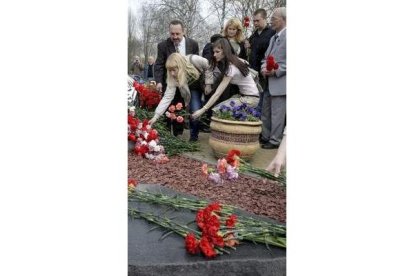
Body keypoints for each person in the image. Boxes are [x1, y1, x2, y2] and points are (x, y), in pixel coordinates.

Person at [149, 53, 213, 142]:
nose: (172, 73)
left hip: (205, 84)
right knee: (195, 110)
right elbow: (167, 97)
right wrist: (156, 116)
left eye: (174, 70)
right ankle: (193, 137)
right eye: (169, 70)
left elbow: (208, 66)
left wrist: (208, 83)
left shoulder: (194, 60)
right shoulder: (172, 77)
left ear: (180, 66)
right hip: (193, 90)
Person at [191, 38, 259, 120]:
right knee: (221, 109)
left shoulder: (231, 68)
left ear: (225, 51)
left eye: (217, 52)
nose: (214, 55)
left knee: (217, 110)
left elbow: (218, 93)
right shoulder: (236, 60)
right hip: (247, 97)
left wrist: (202, 110)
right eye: (214, 52)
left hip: (250, 99)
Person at [260, 7, 286, 149]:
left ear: (283, 19)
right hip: (268, 82)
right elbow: (266, 57)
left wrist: (276, 71)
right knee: (266, 111)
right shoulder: (272, 38)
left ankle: (275, 141)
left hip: (281, 83)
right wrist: (264, 67)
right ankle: (266, 137)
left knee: (277, 114)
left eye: (274, 18)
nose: (271, 21)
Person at [154, 20, 199, 94]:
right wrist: (159, 82)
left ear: (184, 32)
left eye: (177, 34)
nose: (175, 37)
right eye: (172, 34)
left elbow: (196, 65)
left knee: (195, 106)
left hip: (190, 86)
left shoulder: (193, 44)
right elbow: (159, 65)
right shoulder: (162, 46)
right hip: (171, 85)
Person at [245, 8, 276, 114]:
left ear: (265, 19)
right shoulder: (253, 35)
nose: (255, 23)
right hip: (253, 72)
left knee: (262, 101)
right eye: (254, 21)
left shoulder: (272, 32)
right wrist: (248, 46)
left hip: (265, 73)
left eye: (258, 20)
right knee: (254, 99)